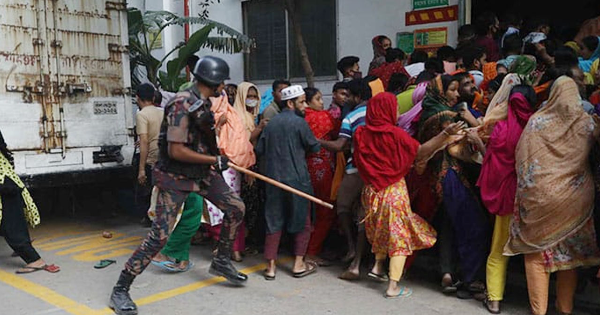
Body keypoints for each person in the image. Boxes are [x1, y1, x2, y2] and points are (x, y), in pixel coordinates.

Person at [109, 56, 248, 315]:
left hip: (200, 173)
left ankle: (221, 261)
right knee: (159, 237)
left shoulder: (202, 102)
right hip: (175, 177)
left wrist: (212, 146)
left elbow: (197, 138)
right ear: (215, 81)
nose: (224, 87)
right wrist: (214, 159)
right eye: (222, 82)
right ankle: (121, 288)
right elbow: (175, 150)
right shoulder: (181, 103)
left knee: (236, 207)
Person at [354, 92, 464, 298]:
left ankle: (378, 266)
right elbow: (420, 152)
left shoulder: (360, 133)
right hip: (393, 191)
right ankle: (393, 285)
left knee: (380, 230)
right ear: (385, 111)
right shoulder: (395, 135)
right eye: (395, 108)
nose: (398, 111)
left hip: (371, 192)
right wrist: (444, 135)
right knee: (400, 237)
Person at [505, 76, 600, 315]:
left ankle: (539, 311)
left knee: (537, 256)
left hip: (539, 200)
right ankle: (565, 309)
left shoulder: (537, 122)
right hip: (575, 201)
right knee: (569, 257)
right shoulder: (587, 124)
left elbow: (523, 159)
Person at [417, 74, 490, 299]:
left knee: (449, 225)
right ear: (441, 91)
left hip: (434, 177)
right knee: (474, 225)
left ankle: (447, 273)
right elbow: (456, 149)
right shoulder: (447, 116)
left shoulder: (427, 112)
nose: (457, 94)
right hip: (451, 176)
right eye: (453, 90)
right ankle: (472, 279)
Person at [477, 85, 536, 314]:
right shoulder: (536, 128)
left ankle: (494, 301)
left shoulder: (500, 129)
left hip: (507, 198)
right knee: (535, 254)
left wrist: (478, 141)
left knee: (499, 250)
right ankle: (538, 306)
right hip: (531, 198)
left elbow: (491, 163)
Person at [256, 85, 320, 280]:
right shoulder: (300, 123)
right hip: (298, 180)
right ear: (290, 103)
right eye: (301, 102)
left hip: (273, 179)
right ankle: (299, 264)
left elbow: (259, 150)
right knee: (303, 221)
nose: (305, 106)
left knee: (273, 221)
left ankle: (270, 267)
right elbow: (314, 147)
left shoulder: (271, 124)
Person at [319, 79, 371, 280]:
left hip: (356, 169)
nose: (346, 99)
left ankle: (352, 250)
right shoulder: (383, 112)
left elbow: (341, 145)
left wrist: (318, 141)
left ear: (357, 96)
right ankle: (363, 258)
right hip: (379, 172)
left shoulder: (351, 116)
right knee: (364, 215)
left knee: (342, 206)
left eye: (348, 95)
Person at [0, 131, 59, 274]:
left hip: (4, 183)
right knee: (10, 220)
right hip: (6, 178)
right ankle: (22, 245)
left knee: (10, 223)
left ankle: (34, 259)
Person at [302, 87, 337, 266]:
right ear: (307, 102)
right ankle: (312, 251)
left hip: (305, 168)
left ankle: (303, 250)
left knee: (307, 211)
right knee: (325, 210)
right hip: (321, 168)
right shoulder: (321, 117)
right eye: (317, 99)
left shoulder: (300, 118)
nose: (321, 102)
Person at [232, 82, 267, 252]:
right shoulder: (237, 116)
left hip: (251, 164)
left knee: (252, 205)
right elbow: (243, 142)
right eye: (249, 96)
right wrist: (259, 128)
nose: (252, 100)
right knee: (246, 204)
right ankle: (238, 244)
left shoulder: (250, 116)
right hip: (243, 166)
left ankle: (243, 242)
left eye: (254, 97)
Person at [134, 83, 165, 227]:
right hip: (165, 156)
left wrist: (141, 168)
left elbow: (144, 141)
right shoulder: (162, 111)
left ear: (137, 98)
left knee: (149, 193)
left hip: (152, 159)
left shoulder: (141, 114)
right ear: (153, 97)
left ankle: (152, 221)